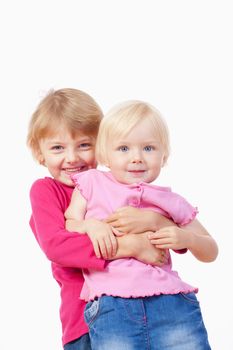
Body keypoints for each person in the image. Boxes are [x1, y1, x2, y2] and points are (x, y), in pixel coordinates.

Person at [27, 89, 181, 350]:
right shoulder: (46, 191)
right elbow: (57, 245)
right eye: (57, 148)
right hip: (84, 318)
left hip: (144, 307)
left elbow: (164, 231)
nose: (72, 158)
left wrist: (155, 225)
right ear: (40, 154)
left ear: (102, 146)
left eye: (84, 145)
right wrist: (131, 246)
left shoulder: (114, 183)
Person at [65, 100, 218, 350]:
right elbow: (70, 223)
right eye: (123, 149)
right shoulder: (91, 182)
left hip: (171, 305)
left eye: (148, 148)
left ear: (164, 156)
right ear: (104, 155)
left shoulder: (171, 200)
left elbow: (211, 250)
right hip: (112, 306)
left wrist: (186, 238)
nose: (137, 158)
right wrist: (92, 226)